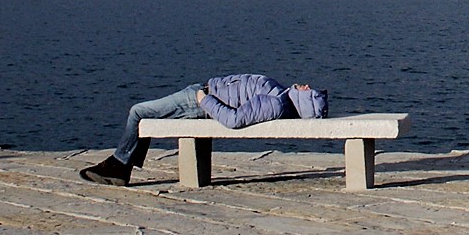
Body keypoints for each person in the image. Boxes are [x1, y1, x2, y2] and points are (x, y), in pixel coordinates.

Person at [80, 74, 328, 186]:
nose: (306, 85)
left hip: (197, 101)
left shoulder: (274, 103)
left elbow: (233, 119)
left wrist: (202, 99)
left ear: (304, 102)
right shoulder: (280, 95)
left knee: (138, 112)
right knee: (144, 114)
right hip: (201, 93)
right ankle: (122, 166)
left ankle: (119, 166)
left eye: (309, 91)